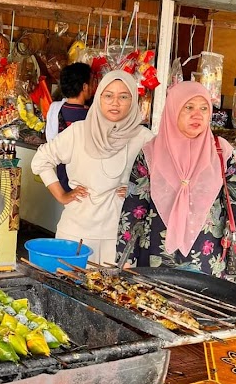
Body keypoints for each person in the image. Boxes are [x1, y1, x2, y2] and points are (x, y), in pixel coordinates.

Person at [116, 81, 236, 283]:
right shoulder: (151, 153)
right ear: (173, 109)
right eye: (189, 107)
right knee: (157, 307)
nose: (197, 114)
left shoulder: (220, 152)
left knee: (203, 309)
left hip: (207, 256)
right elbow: (134, 208)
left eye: (204, 108)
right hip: (157, 255)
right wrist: (125, 258)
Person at [31, 70, 153, 264]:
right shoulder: (78, 132)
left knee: (116, 292)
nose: (115, 102)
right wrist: (62, 195)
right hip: (76, 232)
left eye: (123, 96)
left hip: (122, 236)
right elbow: (40, 160)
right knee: (70, 289)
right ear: (98, 98)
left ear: (134, 100)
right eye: (108, 95)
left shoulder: (145, 138)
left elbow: (163, 178)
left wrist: (138, 190)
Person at [45, 62, 92, 191]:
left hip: (62, 175)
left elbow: (50, 139)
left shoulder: (55, 110)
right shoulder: (90, 115)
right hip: (85, 178)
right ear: (84, 87)